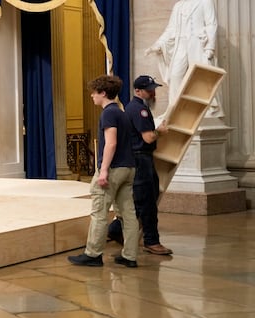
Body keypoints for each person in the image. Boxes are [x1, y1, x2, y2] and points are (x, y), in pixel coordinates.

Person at [68, 75, 138, 268]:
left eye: (94, 92)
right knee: (128, 214)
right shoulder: (122, 113)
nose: (92, 96)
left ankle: (93, 254)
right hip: (129, 168)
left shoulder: (108, 113)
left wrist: (104, 170)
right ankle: (130, 256)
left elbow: (111, 143)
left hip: (114, 168)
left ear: (103, 93)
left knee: (99, 212)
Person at [107, 75, 172, 255]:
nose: (153, 93)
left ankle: (115, 230)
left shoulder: (137, 107)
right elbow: (148, 137)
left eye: (153, 89)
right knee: (147, 202)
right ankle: (152, 241)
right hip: (140, 158)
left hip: (140, 158)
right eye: (149, 89)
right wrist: (160, 132)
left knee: (138, 201)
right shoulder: (139, 110)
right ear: (137, 91)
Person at [146, 0, 221, 116]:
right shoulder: (178, 6)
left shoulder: (205, 2)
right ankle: (175, 111)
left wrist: (210, 47)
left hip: (197, 43)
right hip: (180, 44)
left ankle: (204, 109)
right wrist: (158, 44)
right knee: (175, 76)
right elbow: (170, 29)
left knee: (200, 76)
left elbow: (211, 24)